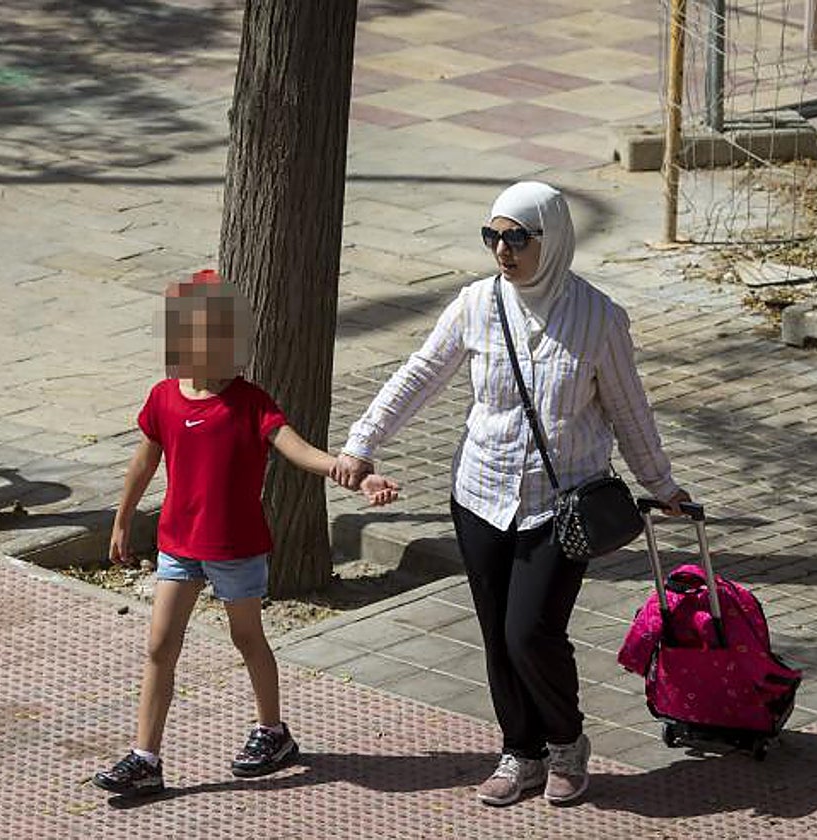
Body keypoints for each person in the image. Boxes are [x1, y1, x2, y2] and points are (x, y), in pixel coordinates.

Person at [330, 182, 690, 807]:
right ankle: (519, 751)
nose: (503, 249)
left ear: (549, 240)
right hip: (480, 496)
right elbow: (420, 373)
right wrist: (362, 443)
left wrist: (661, 485)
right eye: (492, 236)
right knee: (497, 633)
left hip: (563, 504)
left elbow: (630, 409)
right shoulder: (475, 304)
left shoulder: (598, 317)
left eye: (517, 238)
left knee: (530, 632)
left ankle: (567, 742)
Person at [92, 270, 399, 796]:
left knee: (246, 637)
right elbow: (143, 464)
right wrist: (122, 519)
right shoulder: (164, 398)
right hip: (179, 546)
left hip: (235, 548)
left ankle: (272, 731)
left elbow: (296, 449)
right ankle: (146, 758)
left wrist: (353, 474)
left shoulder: (252, 402)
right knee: (160, 646)